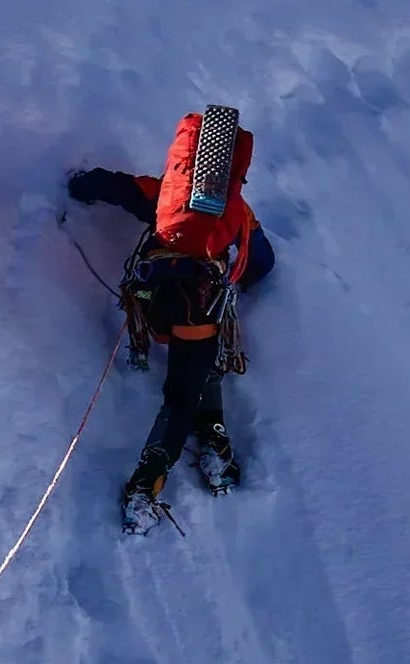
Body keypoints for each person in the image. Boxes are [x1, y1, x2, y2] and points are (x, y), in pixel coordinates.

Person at [66, 104, 277, 523]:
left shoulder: (168, 195)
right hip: (198, 311)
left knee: (186, 380)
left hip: (151, 300)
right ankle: (161, 473)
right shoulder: (238, 214)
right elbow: (260, 263)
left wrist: (78, 185)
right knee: (187, 387)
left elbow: (117, 188)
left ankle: (185, 457)